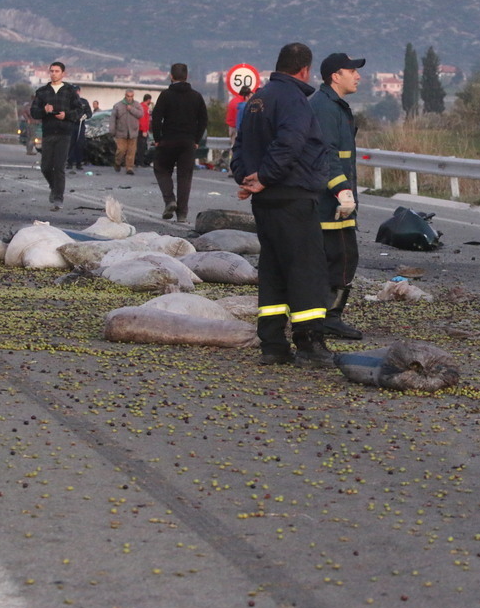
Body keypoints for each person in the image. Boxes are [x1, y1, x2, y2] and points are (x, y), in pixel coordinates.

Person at [231, 42, 334, 368]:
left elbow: (240, 145)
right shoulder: (294, 101)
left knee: (273, 271)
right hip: (293, 196)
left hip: (267, 202)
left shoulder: (258, 99)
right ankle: (309, 343)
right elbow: (290, 142)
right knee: (307, 271)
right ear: (304, 69)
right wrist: (264, 177)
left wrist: (247, 179)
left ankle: (273, 344)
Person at [310, 52, 365, 339]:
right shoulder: (324, 107)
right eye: (352, 70)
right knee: (341, 258)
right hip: (329, 203)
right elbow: (326, 153)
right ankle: (328, 317)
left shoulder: (334, 106)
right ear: (335, 75)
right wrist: (342, 190)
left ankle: (326, 316)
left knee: (340, 257)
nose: (358, 76)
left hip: (334, 202)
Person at [151, 63, 208, 222]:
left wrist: (157, 139)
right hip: (188, 142)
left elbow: (156, 118)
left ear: (171, 76)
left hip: (168, 140)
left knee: (161, 168)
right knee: (185, 177)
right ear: (187, 77)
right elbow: (203, 119)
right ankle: (182, 213)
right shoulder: (196, 96)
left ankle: (170, 200)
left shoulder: (165, 95)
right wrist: (196, 140)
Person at [30, 61, 79, 210]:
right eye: (51, 71)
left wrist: (66, 115)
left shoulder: (70, 91)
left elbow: (79, 111)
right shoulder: (42, 92)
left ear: (63, 73)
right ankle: (53, 187)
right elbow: (34, 112)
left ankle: (58, 198)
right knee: (45, 167)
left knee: (59, 167)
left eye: (57, 71)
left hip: (64, 133)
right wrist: (44, 110)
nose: (54, 73)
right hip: (48, 132)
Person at [110, 89, 143, 173]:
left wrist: (131, 109)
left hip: (133, 132)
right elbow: (113, 119)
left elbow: (141, 114)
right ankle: (117, 162)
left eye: (131, 96)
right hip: (121, 132)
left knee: (131, 151)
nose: (129, 98)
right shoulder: (118, 105)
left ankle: (129, 168)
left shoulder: (137, 105)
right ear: (125, 96)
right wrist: (112, 130)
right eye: (128, 96)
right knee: (121, 150)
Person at [65, 85, 92, 171]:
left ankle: (79, 163)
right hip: (71, 124)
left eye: (77, 91)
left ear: (79, 91)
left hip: (80, 124)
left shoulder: (84, 102)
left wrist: (85, 116)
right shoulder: (68, 102)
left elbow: (89, 113)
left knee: (80, 144)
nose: (75, 92)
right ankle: (69, 162)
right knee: (71, 144)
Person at [136, 93, 153, 167]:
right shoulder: (144, 108)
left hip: (140, 129)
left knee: (140, 146)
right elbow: (143, 120)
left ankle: (139, 161)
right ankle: (140, 162)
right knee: (141, 147)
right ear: (148, 100)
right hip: (142, 130)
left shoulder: (140, 106)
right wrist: (144, 130)